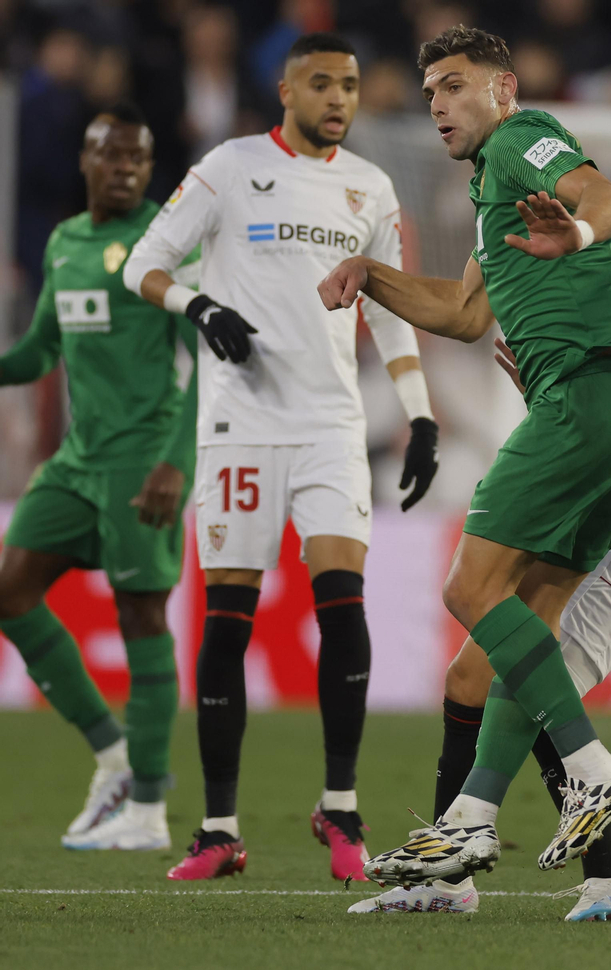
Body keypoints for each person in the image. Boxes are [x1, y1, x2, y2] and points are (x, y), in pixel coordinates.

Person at [350, 177, 611, 920]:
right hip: (601, 516)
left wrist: (589, 375)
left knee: (532, 683)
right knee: (470, 677)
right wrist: (566, 387)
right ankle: (482, 875)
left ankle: (485, 858)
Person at [317, 25, 611, 882]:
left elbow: (607, 199)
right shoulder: (492, 198)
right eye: (430, 90)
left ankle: (590, 770)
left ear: (503, 89)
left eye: (455, 85)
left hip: (582, 397)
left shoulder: (519, 141)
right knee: (509, 643)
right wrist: (372, 275)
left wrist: (578, 235)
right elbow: (468, 316)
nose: (437, 103)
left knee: (470, 589)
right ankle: (471, 824)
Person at [122, 33, 441, 880]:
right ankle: (219, 830)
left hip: (331, 425)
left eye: (350, 84)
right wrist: (198, 306)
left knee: (344, 605)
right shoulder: (228, 168)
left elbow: (391, 311)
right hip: (240, 427)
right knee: (227, 622)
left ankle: (341, 811)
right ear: (285, 89)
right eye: (322, 83)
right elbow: (143, 266)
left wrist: (420, 415)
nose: (339, 98)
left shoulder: (370, 187)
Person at [0, 103, 197, 851]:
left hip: (141, 461)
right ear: (84, 161)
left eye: (138, 160)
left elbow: (209, 357)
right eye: (111, 157)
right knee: (11, 594)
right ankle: (113, 756)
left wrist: (176, 463)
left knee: (142, 618)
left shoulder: (164, 246)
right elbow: (38, 352)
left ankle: (148, 811)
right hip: (77, 462)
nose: (125, 170)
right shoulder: (65, 242)